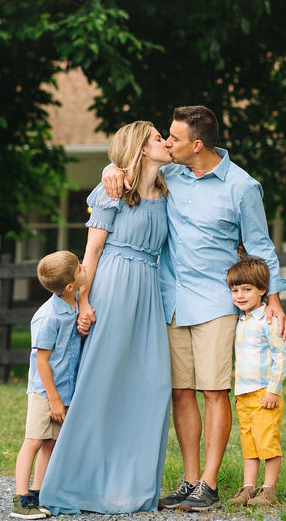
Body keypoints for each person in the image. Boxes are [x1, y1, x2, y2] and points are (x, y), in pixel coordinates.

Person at [102, 104, 286, 512]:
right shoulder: (169, 172)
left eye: (174, 137)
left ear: (197, 144)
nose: (167, 143)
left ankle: (209, 483)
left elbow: (260, 247)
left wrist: (273, 299)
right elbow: (129, 166)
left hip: (216, 304)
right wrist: (109, 170)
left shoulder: (242, 187)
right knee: (180, 392)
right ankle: (190, 481)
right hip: (169, 300)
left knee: (213, 391)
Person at [39, 121, 173, 514]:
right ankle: (77, 483)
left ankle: (131, 487)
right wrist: (83, 303)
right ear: (142, 149)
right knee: (102, 379)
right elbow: (91, 255)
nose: (166, 143)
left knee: (151, 384)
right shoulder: (111, 192)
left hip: (148, 292)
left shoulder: (169, 189)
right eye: (158, 139)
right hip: (113, 286)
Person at [11, 251, 85, 520]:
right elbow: (42, 361)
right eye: (80, 268)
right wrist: (53, 399)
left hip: (64, 388)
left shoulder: (74, 301)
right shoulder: (49, 317)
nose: (84, 268)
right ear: (69, 286)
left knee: (50, 443)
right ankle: (20, 500)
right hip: (45, 392)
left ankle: (38, 493)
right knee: (33, 441)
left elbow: (86, 285)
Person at [226, 257, 286, 508]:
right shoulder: (240, 320)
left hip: (264, 393)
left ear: (262, 290)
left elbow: (280, 356)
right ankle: (249, 488)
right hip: (244, 395)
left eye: (247, 289)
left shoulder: (268, 320)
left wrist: (274, 389)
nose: (240, 296)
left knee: (267, 441)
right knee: (249, 443)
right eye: (235, 290)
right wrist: (239, 392)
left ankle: (269, 490)